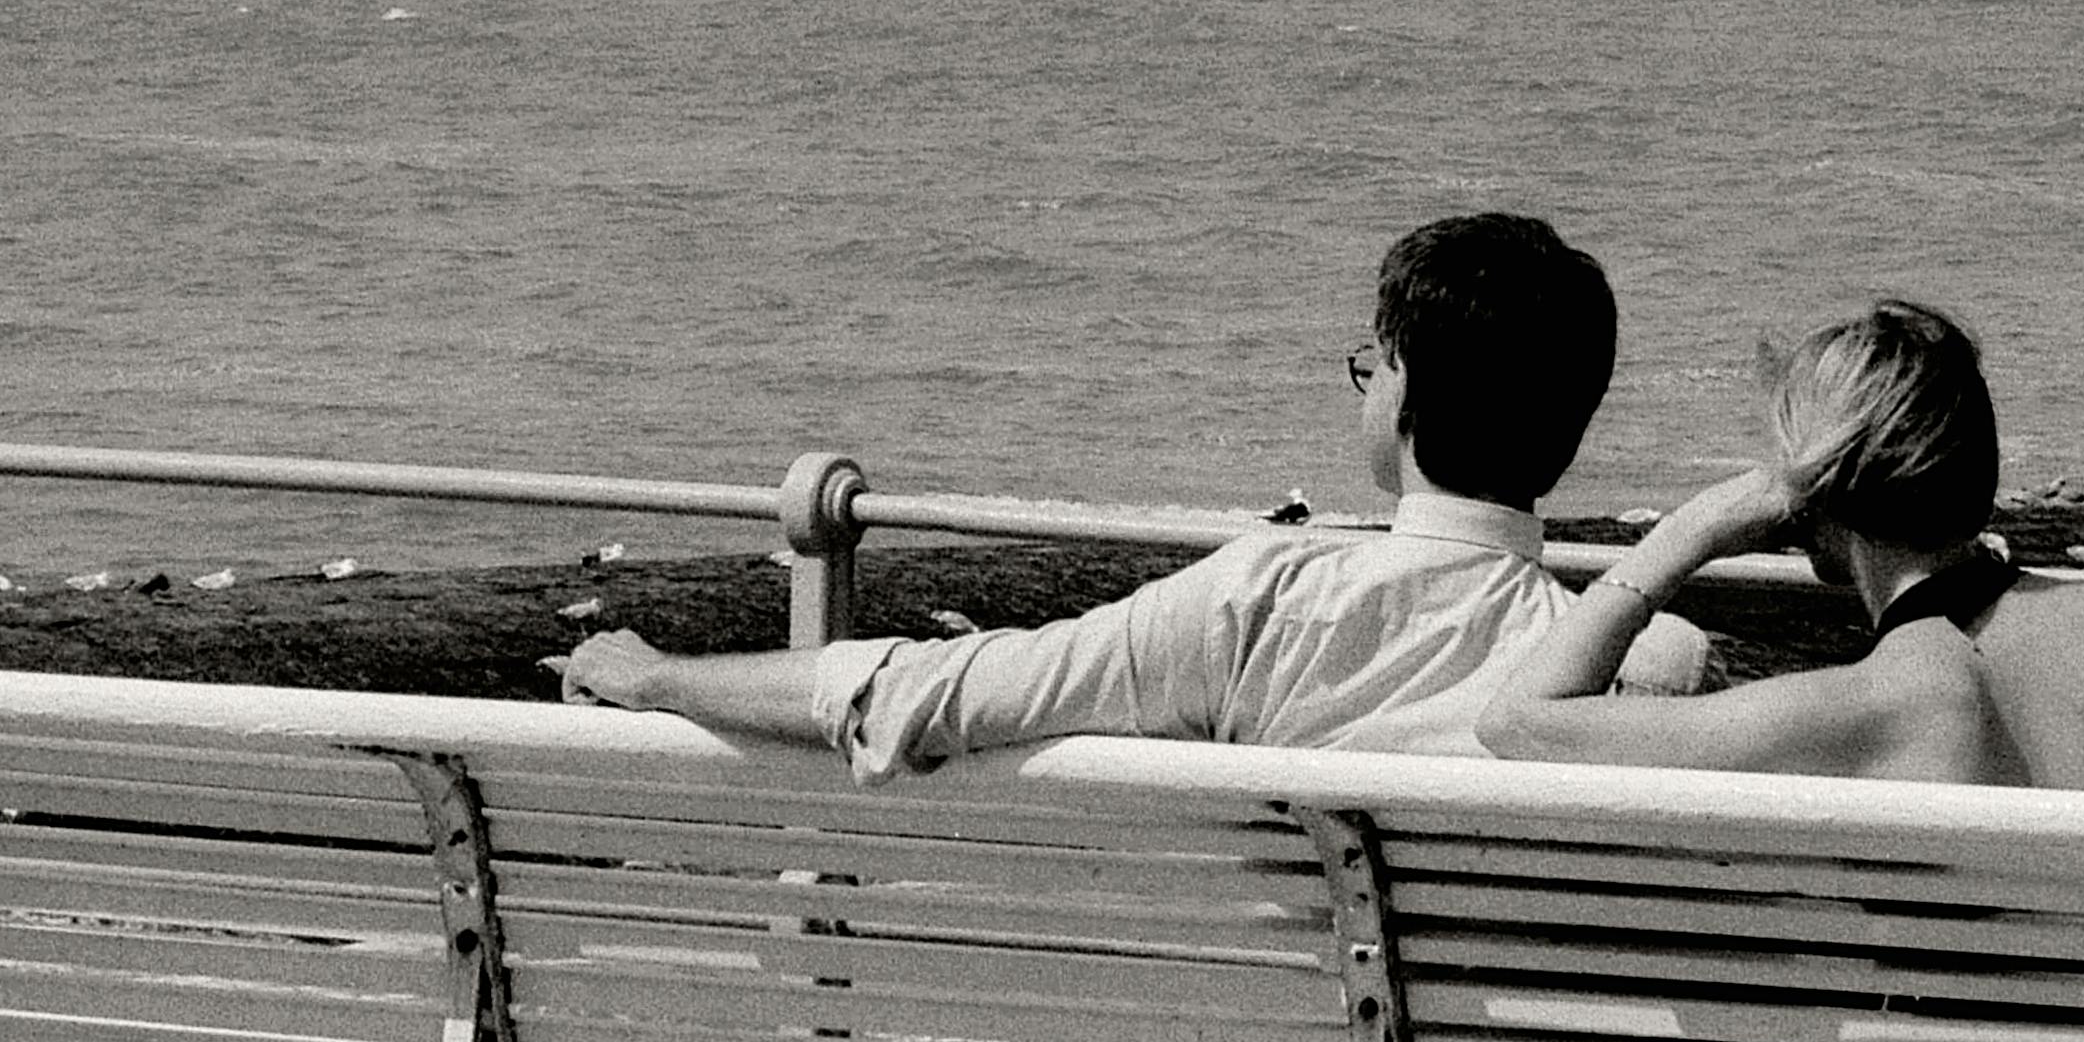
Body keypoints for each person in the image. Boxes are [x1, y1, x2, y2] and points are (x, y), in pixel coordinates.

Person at [556, 212, 1707, 778]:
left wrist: (657, 676)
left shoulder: (1262, 597)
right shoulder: (1649, 667)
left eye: (1375, 362)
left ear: (1402, 387)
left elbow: (926, 690)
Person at [1477, 297, 2084, 795]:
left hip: (1979, 1035)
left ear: (1812, 488)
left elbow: (1515, 722)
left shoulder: (1870, 705)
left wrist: (1686, 533)